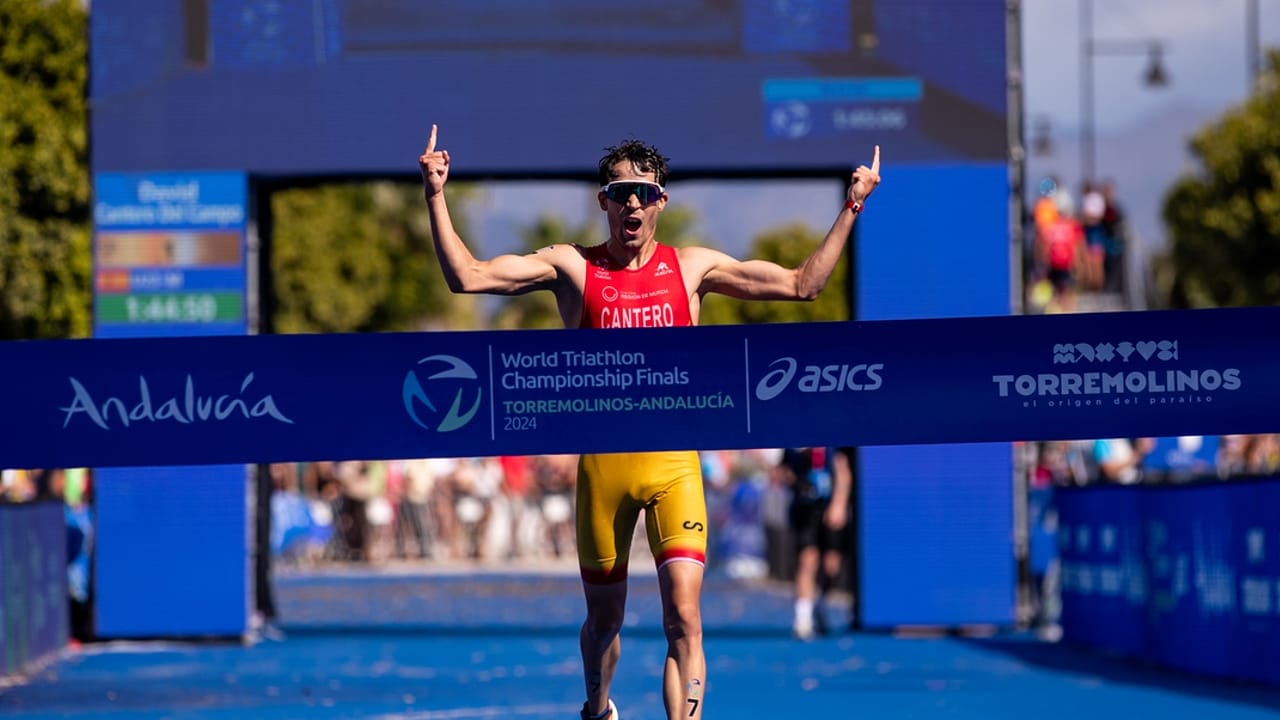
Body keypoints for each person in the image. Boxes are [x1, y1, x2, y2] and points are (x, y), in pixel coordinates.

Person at [418, 125, 880, 720]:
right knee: (604, 622)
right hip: (604, 469)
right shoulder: (574, 266)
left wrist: (852, 204)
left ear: (661, 201)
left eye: (643, 192)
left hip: (674, 466)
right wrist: (435, 194)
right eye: (619, 193)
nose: (631, 203)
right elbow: (469, 277)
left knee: (684, 617)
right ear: (604, 202)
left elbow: (802, 285)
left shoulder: (691, 268)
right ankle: (596, 707)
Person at [778, 447, 852, 640]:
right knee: (807, 560)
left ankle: (821, 602)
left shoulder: (832, 449)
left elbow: (843, 473)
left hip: (828, 507)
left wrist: (839, 504)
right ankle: (802, 617)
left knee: (831, 565)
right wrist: (795, 479)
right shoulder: (793, 449)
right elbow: (783, 471)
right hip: (805, 510)